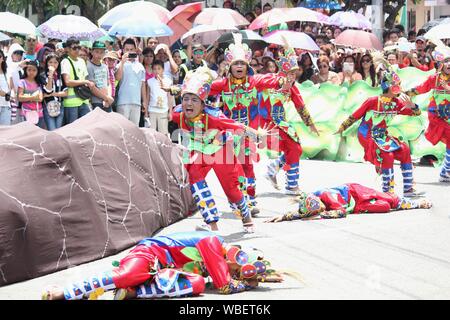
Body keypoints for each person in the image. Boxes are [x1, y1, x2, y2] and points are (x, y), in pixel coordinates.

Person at [41, 231, 282, 300]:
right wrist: (240, 284)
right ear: (234, 255)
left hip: (164, 271)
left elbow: (218, 282)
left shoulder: (215, 262)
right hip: (149, 255)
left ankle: (134, 294)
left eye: (237, 272)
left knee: (197, 284)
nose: (233, 271)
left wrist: (252, 278)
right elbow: (224, 286)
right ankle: (69, 292)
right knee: (132, 273)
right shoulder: (213, 242)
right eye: (237, 268)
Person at [165, 67, 263, 232]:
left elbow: (237, 126)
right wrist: (172, 89)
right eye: (186, 99)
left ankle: (246, 216)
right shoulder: (178, 114)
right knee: (195, 179)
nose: (189, 103)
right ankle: (212, 224)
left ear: (203, 104)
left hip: (220, 150)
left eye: (194, 100)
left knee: (232, 190)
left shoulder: (214, 117)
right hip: (199, 151)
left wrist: (258, 136)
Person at [208, 34, 294, 215]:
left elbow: (276, 80)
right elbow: (201, 88)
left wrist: (286, 69)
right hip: (228, 134)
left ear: (247, 66)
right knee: (233, 167)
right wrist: (177, 89)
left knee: (247, 165)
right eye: (235, 64)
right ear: (229, 67)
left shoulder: (255, 82)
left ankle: (251, 199)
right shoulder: (223, 84)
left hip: (248, 133)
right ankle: (236, 199)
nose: (239, 66)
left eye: (242, 64)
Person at [336, 68, 424, 197]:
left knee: (404, 149)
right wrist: (342, 128)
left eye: (399, 85)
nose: (399, 87)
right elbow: (355, 116)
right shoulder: (372, 101)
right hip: (367, 134)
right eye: (396, 85)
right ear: (388, 86)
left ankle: (408, 188)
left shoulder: (397, 103)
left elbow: (417, 113)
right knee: (387, 155)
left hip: (382, 135)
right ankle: (388, 191)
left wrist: (413, 106)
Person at [262, 47, 319, 194]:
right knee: (294, 148)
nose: (294, 76)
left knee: (295, 149)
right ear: (284, 72)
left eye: (295, 73)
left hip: (281, 123)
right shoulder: (270, 81)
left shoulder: (291, 86)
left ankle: (274, 169)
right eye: (291, 73)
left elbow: (300, 105)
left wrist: (310, 125)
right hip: (266, 124)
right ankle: (290, 185)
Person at [265, 183, 432, 223]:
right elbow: (302, 212)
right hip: (357, 207)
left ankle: (418, 203)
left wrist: (320, 215)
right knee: (384, 207)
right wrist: (284, 216)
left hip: (356, 193)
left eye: (320, 209)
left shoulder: (328, 196)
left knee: (390, 200)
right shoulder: (309, 201)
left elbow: (340, 212)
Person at [406, 46, 450, 183]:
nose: (449, 65)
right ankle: (444, 172)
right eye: (447, 62)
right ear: (442, 65)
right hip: (437, 115)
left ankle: (444, 172)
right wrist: (406, 93)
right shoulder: (434, 79)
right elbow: (421, 88)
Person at [60, 38, 94, 124]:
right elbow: (67, 82)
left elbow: (85, 78)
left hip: (84, 100)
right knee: (72, 130)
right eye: (74, 48)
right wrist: (85, 82)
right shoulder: (65, 61)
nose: (77, 50)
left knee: (87, 126)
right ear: (67, 49)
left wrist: (88, 83)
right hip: (71, 103)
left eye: (79, 47)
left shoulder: (82, 61)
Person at [115, 38, 146, 126]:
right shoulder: (119, 64)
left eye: (131, 49)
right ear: (123, 50)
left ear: (135, 50)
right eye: (127, 50)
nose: (129, 52)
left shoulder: (140, 66)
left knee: (134, 130)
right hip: (123, 102)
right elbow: (117, 77)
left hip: (136, 102)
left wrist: (144, 101)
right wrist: (122, 62)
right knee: (123, 129)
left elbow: (142, 85)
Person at [144, 60, 172, 135]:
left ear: (163, 70)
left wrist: (170, 112)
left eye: (159, 69)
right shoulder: (150, 81)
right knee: (151, 134)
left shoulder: (168, 81)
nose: (157, 71)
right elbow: (147, 98)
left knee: (163, 133)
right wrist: (146, 112)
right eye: (155, 69)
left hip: (163, 110)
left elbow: (169, 98)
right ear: (152, 70)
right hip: (152, 110)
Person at [41, 53, 67, 130]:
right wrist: (50, 76)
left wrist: (52, 94)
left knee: (58, 130)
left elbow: (65, 93)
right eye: (50, 62)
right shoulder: (42, 76)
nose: (53, 64)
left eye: (55, 62)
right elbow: (48, 90)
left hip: (59, 105)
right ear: (46, 63)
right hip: (47, 106)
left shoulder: (60, 76)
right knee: (52, 129)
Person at [87, 41, 114, 113]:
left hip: (107, 101)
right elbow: (92, 87)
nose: (99, 54)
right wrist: (106, 98)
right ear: (92, 52)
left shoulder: (105, 66)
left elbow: (108, 84)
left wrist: (108, 97)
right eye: (97, 52)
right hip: (96, 101)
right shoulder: (89, 66)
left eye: (102, 52)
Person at [17, 61, 44, 128]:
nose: (31, 72)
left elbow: (40, 99)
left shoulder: (39, 82)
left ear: (37, 71)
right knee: (27, 134)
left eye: (34, 70)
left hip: (39, 113)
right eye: (29, 70)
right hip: (26, 112)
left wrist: (27, 97)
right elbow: (20, 98)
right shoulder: (22, 82)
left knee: (38, 134)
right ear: (25, 70)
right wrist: (34, 97)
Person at [0, 49, 11, 125]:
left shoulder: (7, 72)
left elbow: (11, 89)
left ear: (2, 58)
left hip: (6, 106)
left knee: (5, 135)